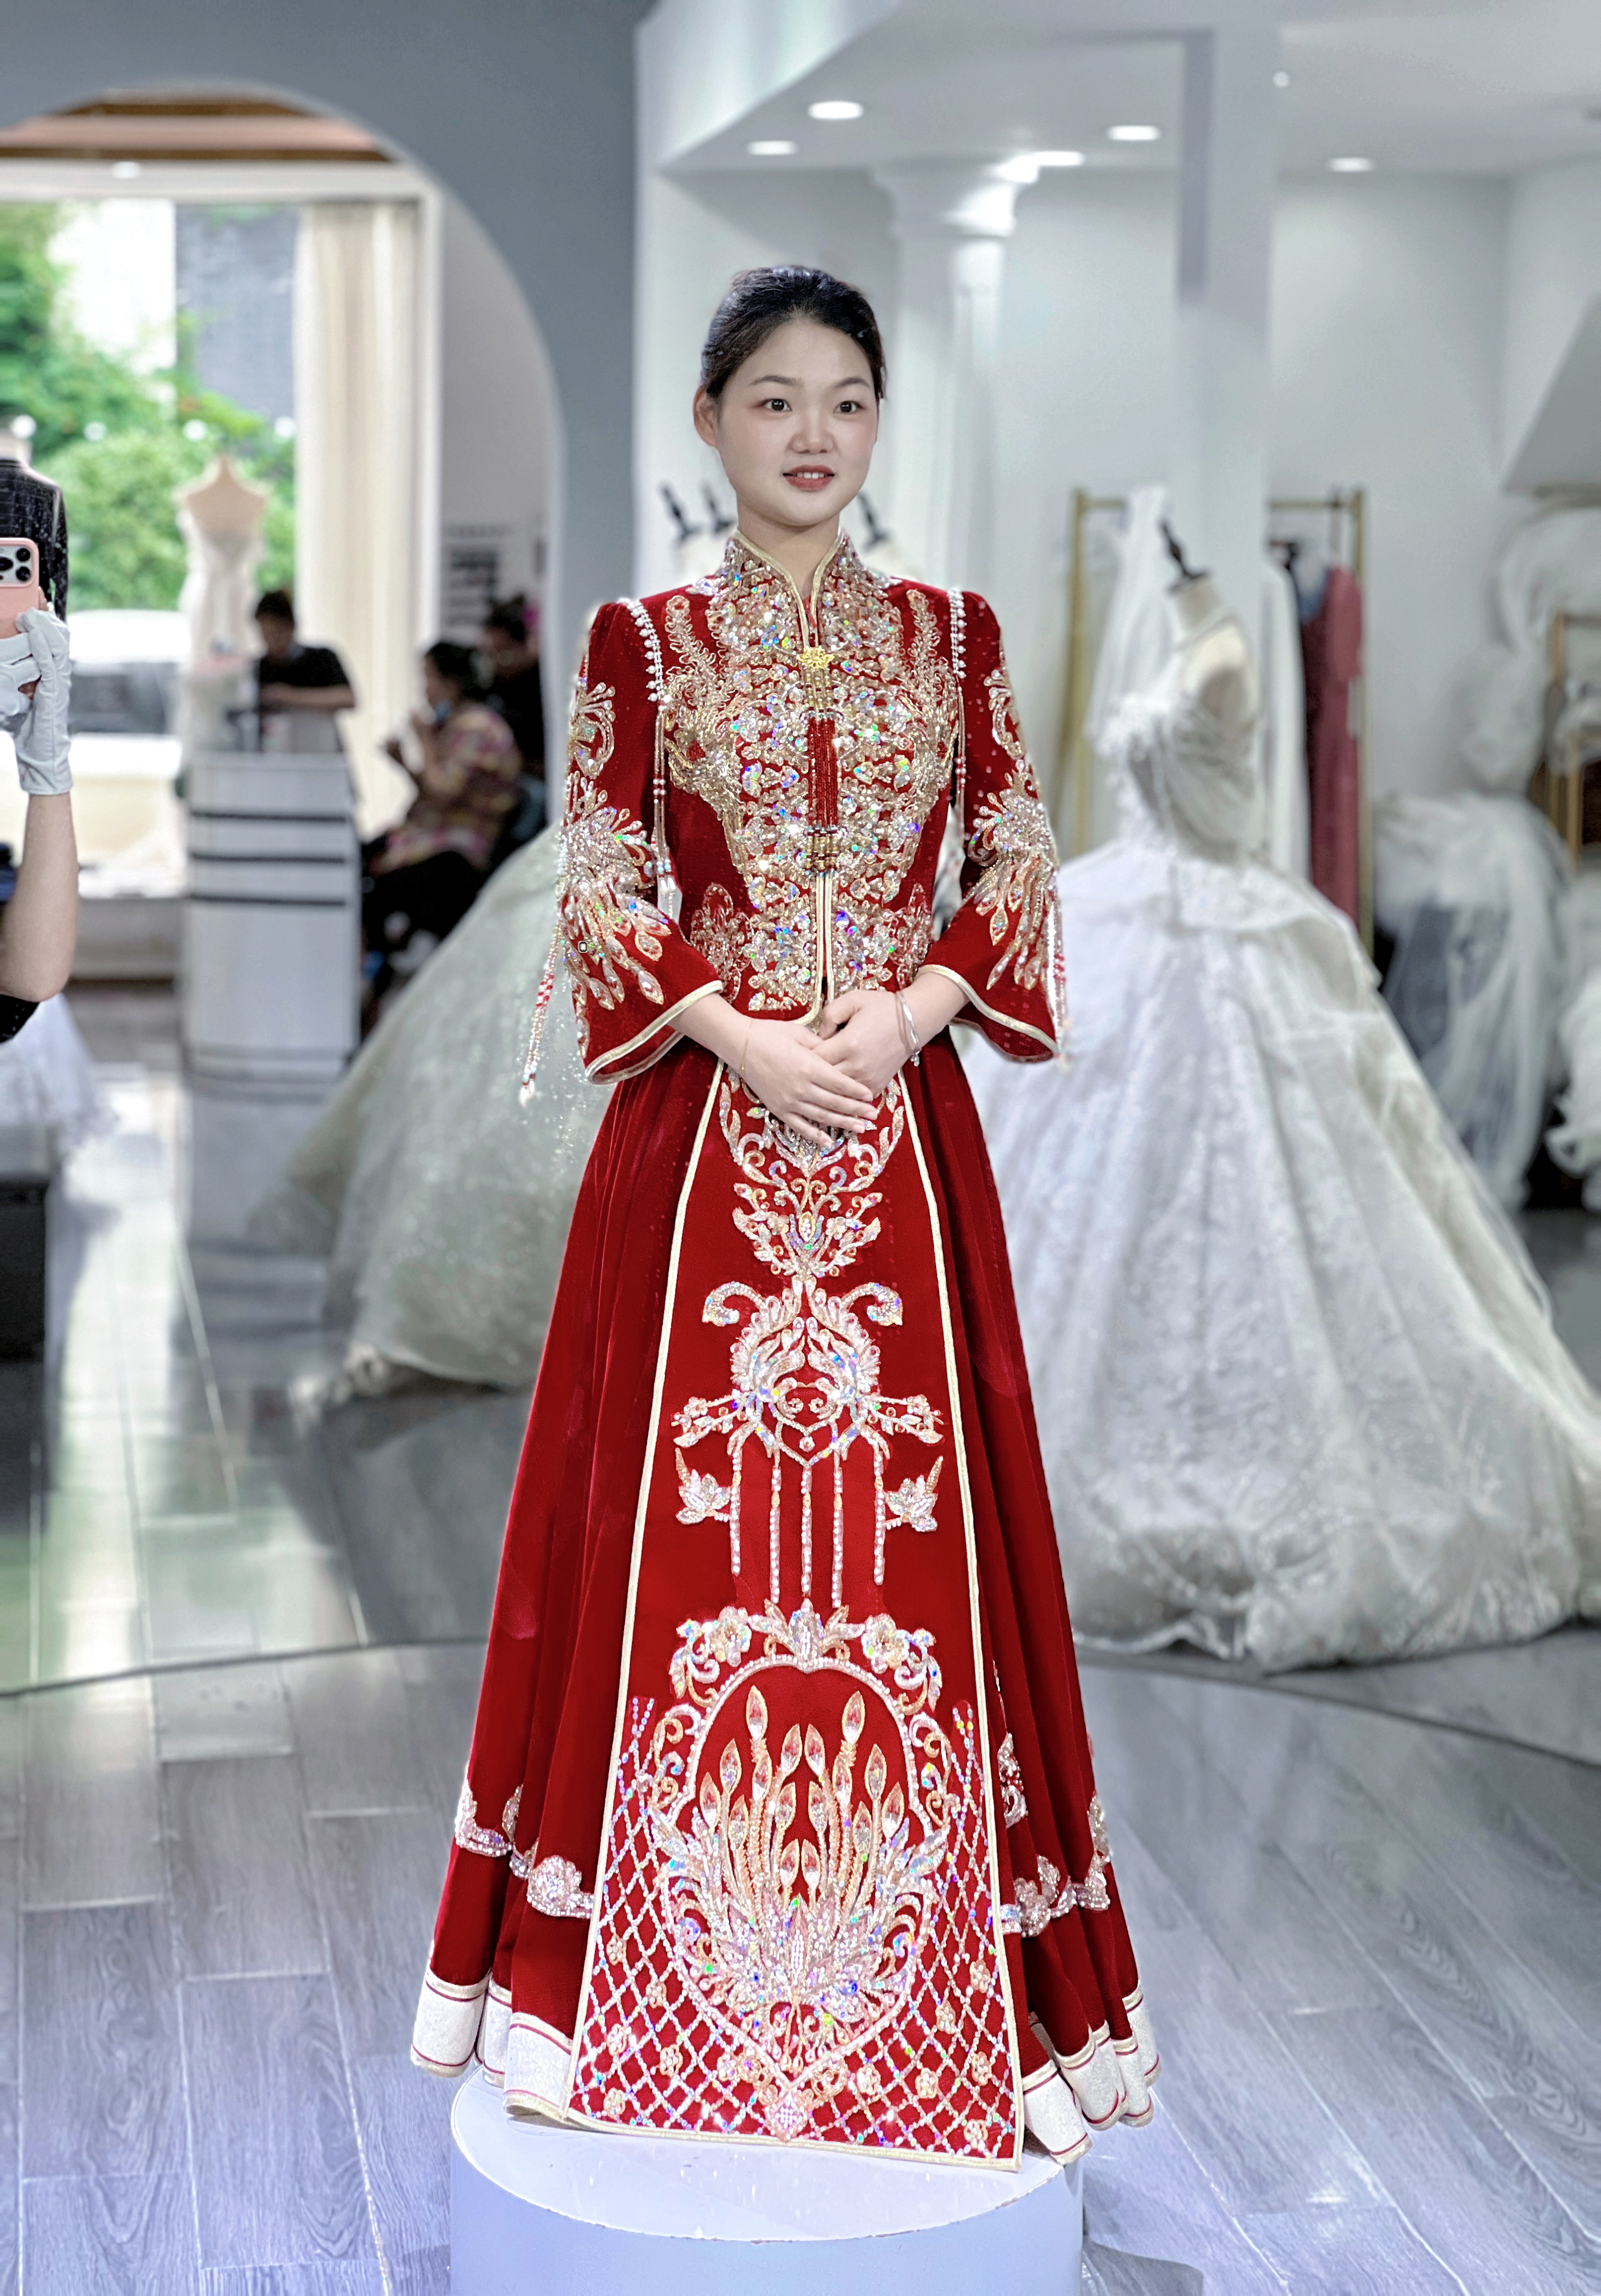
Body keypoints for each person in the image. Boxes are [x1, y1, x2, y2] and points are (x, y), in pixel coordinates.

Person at [409, 267, 1157, 2168]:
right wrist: (743, 1034)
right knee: (659, 1536)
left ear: (877, 421)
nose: (811, 433)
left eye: (844, 400)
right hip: (695, 1155)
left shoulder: (956, 638)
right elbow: (600, 875)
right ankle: (616, 1978)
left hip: (897, 1144)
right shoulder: (640, 644)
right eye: (772, 399)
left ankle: (943, 1991)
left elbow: (1012, 851)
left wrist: (908, 1015)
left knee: (926, 1547)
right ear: (710, 419)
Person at [965, 570, 1601, 1674]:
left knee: (1266, 1205)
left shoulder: (1224, 652)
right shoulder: (1186, 630)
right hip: (1130, 922)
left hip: (1220, 938)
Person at [364, 641, 520, 1002]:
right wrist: (405, 762)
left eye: (429, 679)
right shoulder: (457, 724)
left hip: (459, 850)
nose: (425, 691)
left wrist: (424, 741)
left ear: (452, 682)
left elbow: (443, 791)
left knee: (375, 889)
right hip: (437, 835)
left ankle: (381, 979)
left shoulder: (478, 729)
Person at [252, 589, 355, 725]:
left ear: (290, 627)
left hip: (319, 735)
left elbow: (347, 698)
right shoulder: (260, 667)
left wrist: (288, 696)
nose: (271, 642)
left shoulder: (322, 658)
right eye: (265, 635)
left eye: (275, 634)